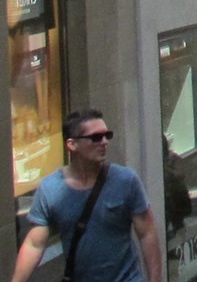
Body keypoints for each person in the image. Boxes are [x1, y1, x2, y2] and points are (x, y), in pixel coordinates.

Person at [10, 108, 163, 282]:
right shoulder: (50, 188)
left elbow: (147, 233)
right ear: (72, 144)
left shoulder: (126, 181)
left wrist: (155, 279)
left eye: (107, 135)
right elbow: (34, 244)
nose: (104, 142)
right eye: (96, 137)